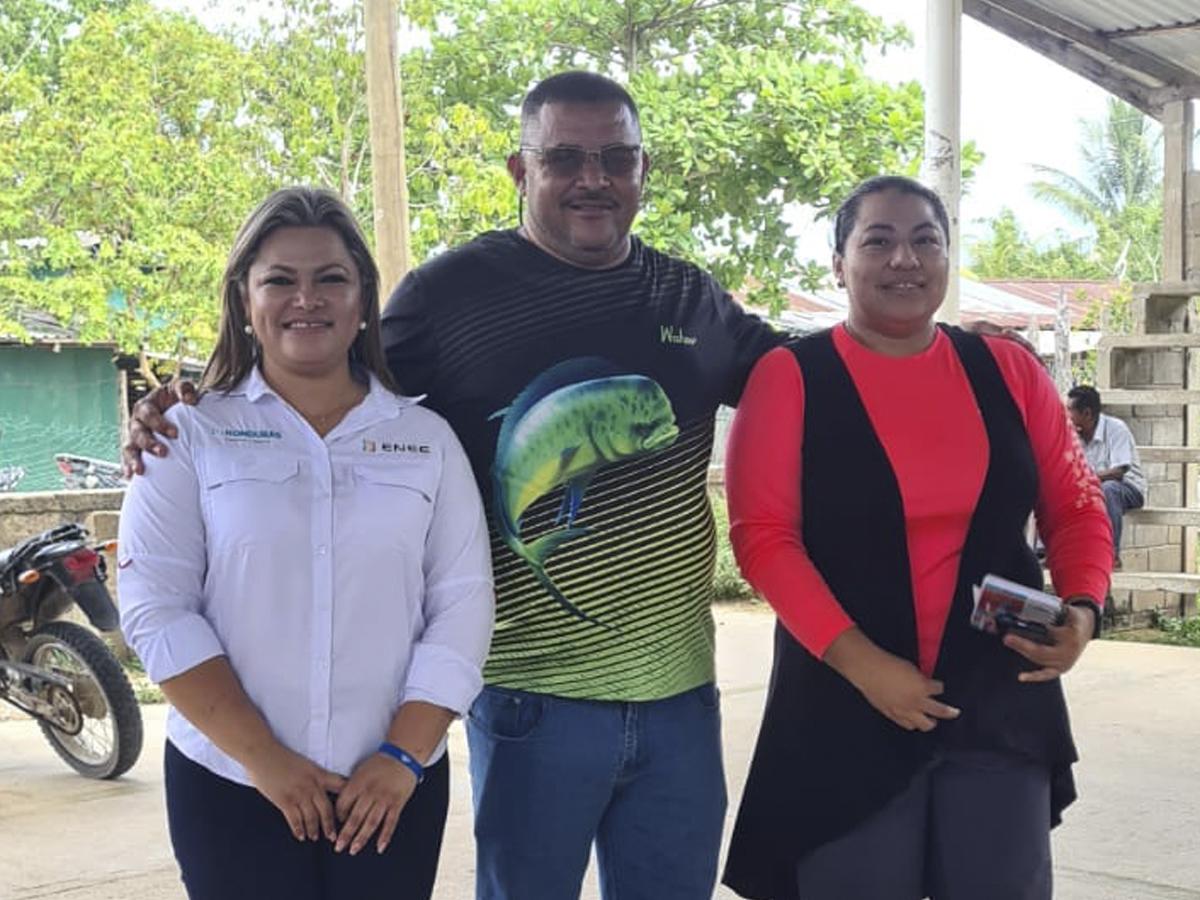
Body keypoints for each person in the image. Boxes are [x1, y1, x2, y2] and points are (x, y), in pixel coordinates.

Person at [123, 72, 781, 900]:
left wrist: (958, 353)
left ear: (644, 170)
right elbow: (314, 356)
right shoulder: (447, 294)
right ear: (519, 169)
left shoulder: (692, 296)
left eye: (617, 157)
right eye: (565, 157)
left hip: (680, 693)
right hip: (533, 700)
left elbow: (816, 382)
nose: (593, 177)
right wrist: (177, 398)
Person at [721, 175, 1113, 900]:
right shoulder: (790, 378)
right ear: (839, 264)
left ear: (947, 256)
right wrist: (867, 666)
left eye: (925, 240)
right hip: (846, 703)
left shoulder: (1007, 370)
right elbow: (765, 538)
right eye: (879, 240)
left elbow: (1078, 507)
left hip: (998, 702)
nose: (905, 258)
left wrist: (1083, 610)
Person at [117, 187, 494, 900]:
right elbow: (155, 609)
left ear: (362, 300)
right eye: (280, 280)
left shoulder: (427, 442)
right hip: (230, 781)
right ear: (244, 299)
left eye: (330, 279)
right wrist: (266, 762)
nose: (306, 300)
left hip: (388, 788)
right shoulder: (186, 435)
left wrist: (401, 758)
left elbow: (463, 607)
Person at [1067, 384, 1145, 567]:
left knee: (1108, 489)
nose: (1067, 414)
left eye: (1070, 410)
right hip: (1092, 487)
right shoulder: (1074, 434)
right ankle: (1047, 551)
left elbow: (1119, 471)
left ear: (1086, 413)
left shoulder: (1116, 428)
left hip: (1128, 487)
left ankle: (1111, 555)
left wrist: (1085, 479)